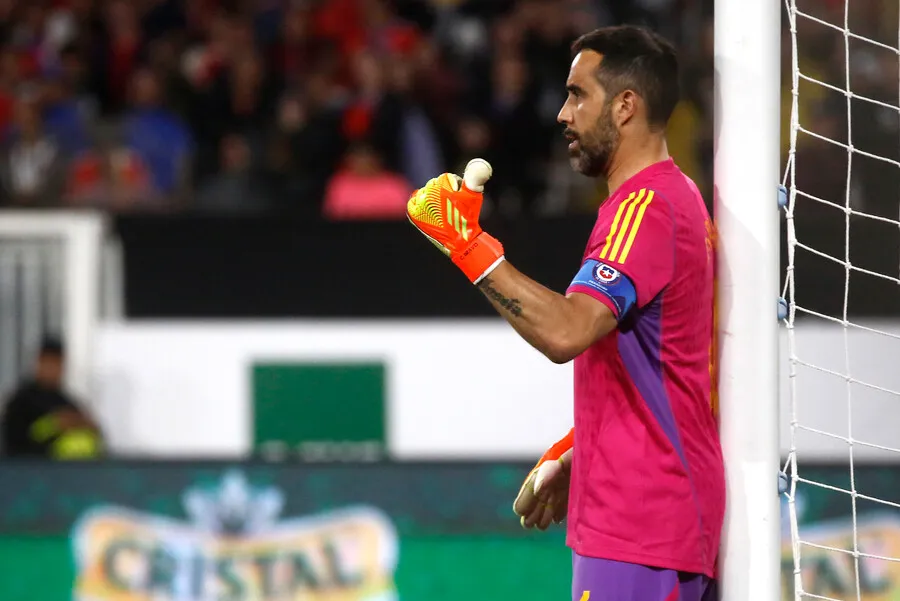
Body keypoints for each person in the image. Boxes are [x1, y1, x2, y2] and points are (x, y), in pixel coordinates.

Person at [406, 25, 724, 601]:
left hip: (639, 531)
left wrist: (465, 242)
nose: (562, 113)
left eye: (578, 94)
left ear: (625, 106)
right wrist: (587, 452)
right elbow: (669, 370)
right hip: (650, 526)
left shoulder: (647, 207)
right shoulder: (670, 201)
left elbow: (566, 330)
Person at [0, 337, 104, 459]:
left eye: (57, 364)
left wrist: (85, 424)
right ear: (38, 363)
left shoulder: (68, 402)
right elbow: (15, 444)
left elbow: (97, 437)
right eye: (49, 363)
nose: (53, 369)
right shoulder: (20, 402)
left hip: (72, 468)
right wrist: (54, 424)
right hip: (31, 468)